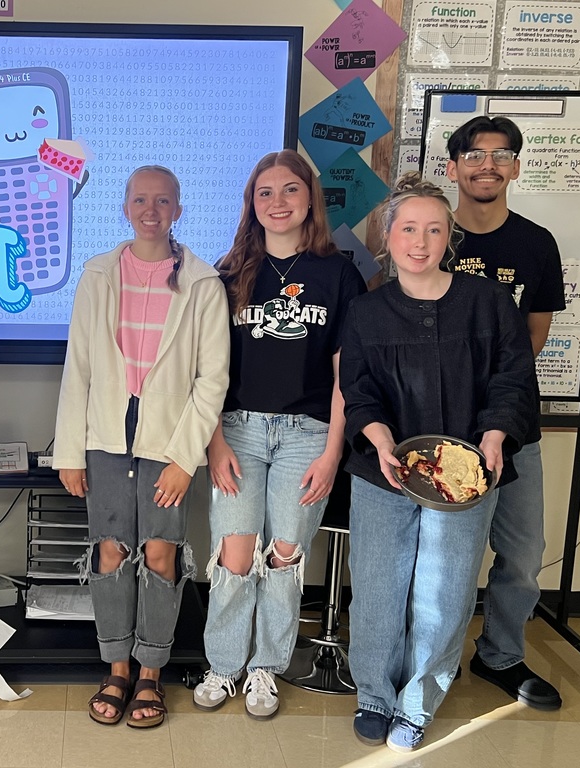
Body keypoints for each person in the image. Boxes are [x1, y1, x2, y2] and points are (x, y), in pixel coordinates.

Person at [340, 173, 537, 752]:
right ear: (388, 234)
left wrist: (497, 436)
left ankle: (418, 701)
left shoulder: (488, 303)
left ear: (449, 236)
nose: (419, 242)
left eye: (433, 229)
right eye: (408, 228)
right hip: (387, 470)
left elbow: (512, 378)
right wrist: (377, 438)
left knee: (444, 590)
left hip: (466, 473)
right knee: (377, 586)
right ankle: (373, 694)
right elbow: (359, 389)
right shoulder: (367, 311)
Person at [54, 165, 229, 728]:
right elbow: (76, 368)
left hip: (167, 440)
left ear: (178, 209)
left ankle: (151, 672)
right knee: (109, 549)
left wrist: (185, 459)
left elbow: (212, 379)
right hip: (105, 434)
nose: (150, 210)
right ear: (125, 207)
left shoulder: (202, 282)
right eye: (139, 200)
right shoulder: (99, 275)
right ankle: (117, 667)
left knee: (159, 552)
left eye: (162, 201)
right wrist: (69, 452)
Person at [193, 150, 367, 719]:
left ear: (309, 198)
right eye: (264, 193)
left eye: (289, 190)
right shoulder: (228, 271)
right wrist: (214, 442)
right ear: (251, 204)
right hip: (238, 431)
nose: (277, 203)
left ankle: (265, 666)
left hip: (308, 435)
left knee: (287, 556)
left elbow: (347, 370)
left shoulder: (339, 273)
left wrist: (334, 448)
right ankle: (223, 665)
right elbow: (209, 370)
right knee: (236, 556)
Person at [446, 115, 565, 710]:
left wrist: (497, 402)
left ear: (515, 167)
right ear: (454, 168)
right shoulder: (433, 238)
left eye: (500, 154)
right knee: (450, 552)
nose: (486, 164)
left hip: (515, 425)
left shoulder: (536, 244)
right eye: (474, 154)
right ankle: (435, 656)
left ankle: (500, 655)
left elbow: (534, 337)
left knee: (520, 550)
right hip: (443, 424)